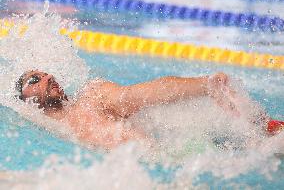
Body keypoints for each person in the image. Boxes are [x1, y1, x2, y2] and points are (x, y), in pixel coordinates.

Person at [15, 70, 284, 149]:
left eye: (46, 74)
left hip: (173, 159)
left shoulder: (91, 97)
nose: (47, 78)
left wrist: (205, 85)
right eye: (34, 80)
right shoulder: (41, 127)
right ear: (24, 99)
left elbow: (138, 95)